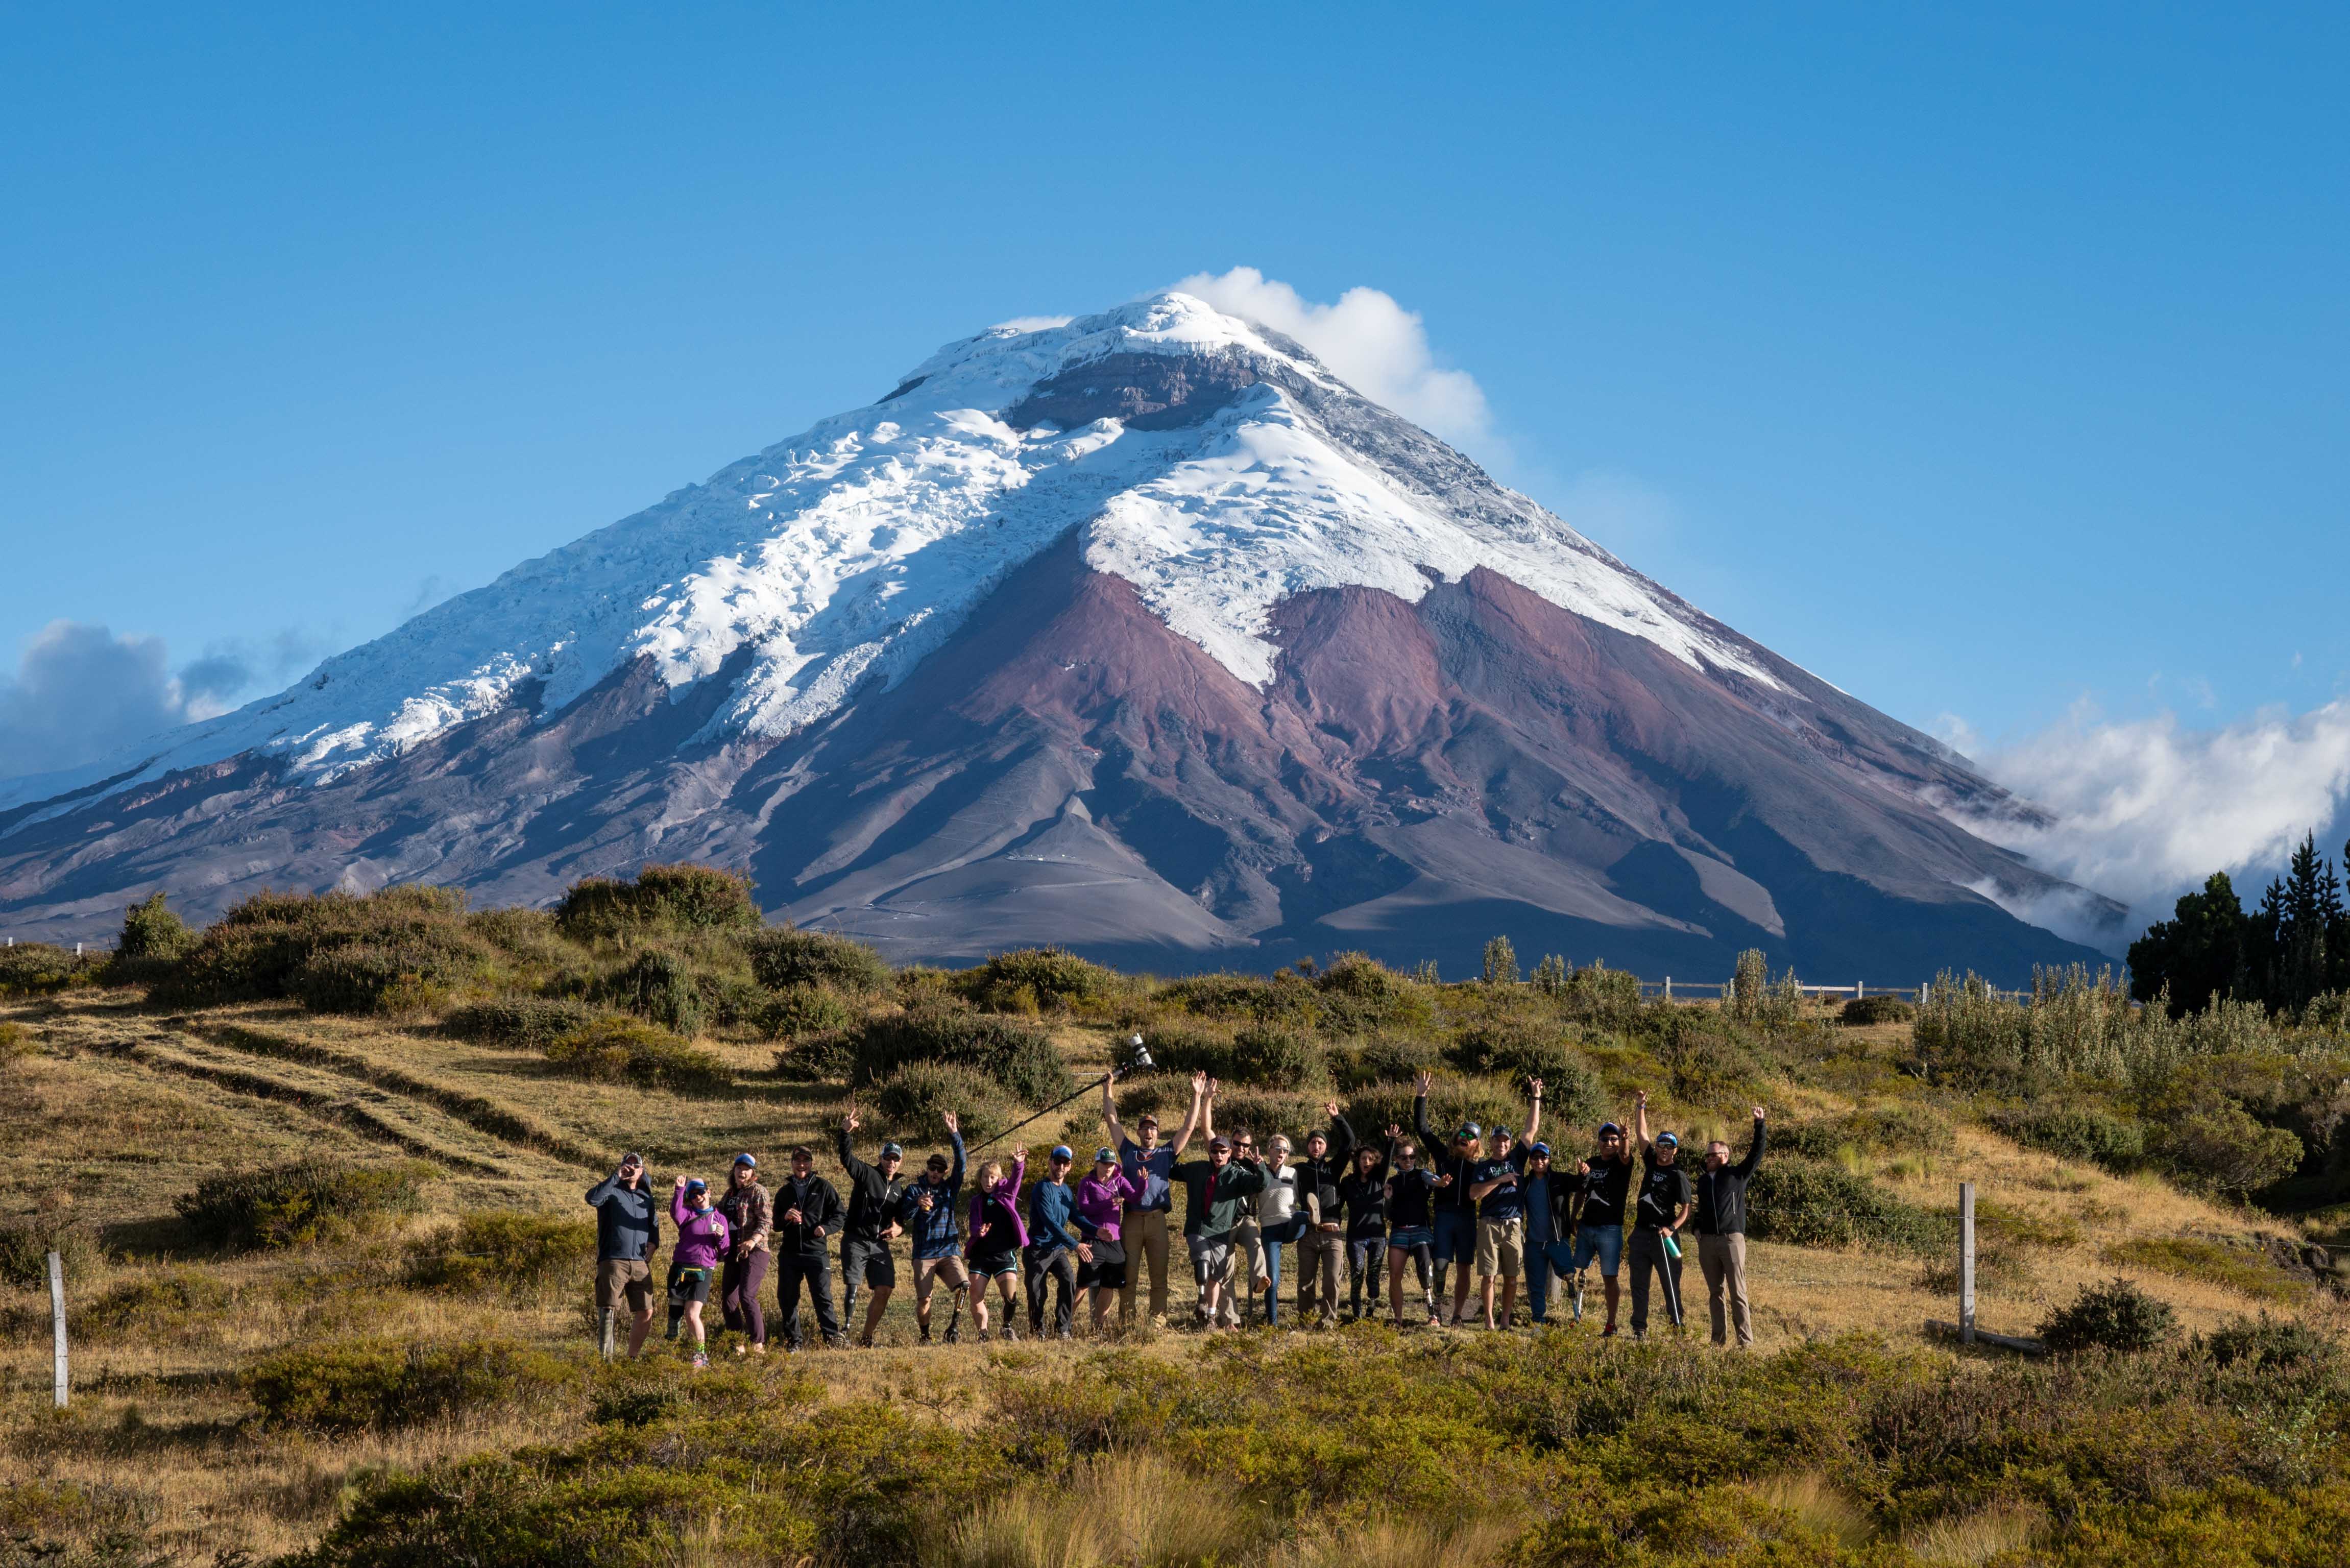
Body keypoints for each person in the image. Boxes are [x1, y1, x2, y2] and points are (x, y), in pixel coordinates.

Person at [1103, 1068, 1203, 1329]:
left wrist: (1197, 1096)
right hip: (1132, 1220)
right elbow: (1112, 1120)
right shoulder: (1127, 1151)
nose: (1148, 1133)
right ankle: (1127, 1323)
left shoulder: (1167, 1153)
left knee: (1160, 1277)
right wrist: (1108, 1089)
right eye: (1144, 1129)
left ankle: (1157, 1324)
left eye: (1153, 1129)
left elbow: (1189, 1127)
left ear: (1158, 1134)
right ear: (1138, 1132)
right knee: (1129, 1276)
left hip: (1158, 1220)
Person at [1172, 1081, 1269, 1328]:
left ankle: (1258, 1280)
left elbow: (1261, 1183)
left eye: (1245, 1146)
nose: (1240, 1149)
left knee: (1253, 1243)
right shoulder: (1208, 1163)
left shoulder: (1247, 1166)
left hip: (1239, 1220)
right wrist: (1207, 1098)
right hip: (1213, 1225)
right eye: (1236, 1144)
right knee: (1222, 1275)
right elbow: (1206, 1129)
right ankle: (1226, 1319)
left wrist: (1260, 1165)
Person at [1469, 1079, 1544, 1331]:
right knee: (1489, 1276)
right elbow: (1474, 1194)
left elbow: (1531, 1130)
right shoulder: (1482, 1167)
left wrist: (1536, 1097)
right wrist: (1501, 1179)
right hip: (1489, 1224)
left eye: (1505, 1141)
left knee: (1512, 1278)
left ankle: (1505, 1320)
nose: (1501, 1144)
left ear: (1510, 1144)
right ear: (1490, 1143)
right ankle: (1489, 1321)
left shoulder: (1517, 1158)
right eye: (1497, 1141)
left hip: (1513, 1225)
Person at [1691, 1107, 1767, 1348]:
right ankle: (1718, 1342)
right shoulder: (1703, 1181)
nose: (1709, 1159)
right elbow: (1700, 1208)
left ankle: (1745, 1343)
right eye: (1707, 1156)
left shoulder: (1737, 1175)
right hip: (1708, 1243)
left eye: (1713, 1155)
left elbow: (1757, 1153)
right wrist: (1696, 1228)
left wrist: (1760, 1124)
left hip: (1732, 1239)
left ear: (1725, 1155)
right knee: (1715, 1293)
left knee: (1738, 1293)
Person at [1412, 1071, 1481, 1326]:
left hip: (1466, 1218)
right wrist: (1421, 1096)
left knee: (1464, 1267)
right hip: (1444, 1216)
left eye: (1471, 1136)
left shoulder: (1479, 1167)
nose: (1465, 1138)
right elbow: (1423, 1129)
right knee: (1440, 1265)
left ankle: (1458, 1315)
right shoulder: (1443, 1156)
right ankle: (1436, 1309)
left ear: (1477, 1144)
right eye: (1462, 1134)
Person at [836, 1109, 909, 1347]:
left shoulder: (900, 1189)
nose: (891, 1163)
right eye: (888, 1158)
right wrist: (845, 1133)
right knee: (853, 1286)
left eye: (896, 1159)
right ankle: (843, 1333)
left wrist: (899, 1229)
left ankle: (866, 1338)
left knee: (885, 1289)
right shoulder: (867, 1173)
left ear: (901, 1162)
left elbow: (902, 1219)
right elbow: (847, 1159)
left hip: (880, 1244)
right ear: (881, 1159)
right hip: (856, 1238)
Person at [1628, 1092, 1693, 1342]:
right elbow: (1641, 1134)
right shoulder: (1651, 1161)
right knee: (1639, 1285)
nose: (1664, 1150)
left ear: (1675, 1151)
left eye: (1669, 1147)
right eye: (1661, 1146)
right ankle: (1639, 1329)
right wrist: (1640, 1106)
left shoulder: (1678, 1175)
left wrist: (1671, 1228)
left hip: (1664, 1238)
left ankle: (1677, 1328)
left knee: (1670, 1285)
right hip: (1641, 1234)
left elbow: (1686, 1209)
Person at [1568, 1109, 1637, 1337]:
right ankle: (1576, 1316)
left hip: (1610, 1228)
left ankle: (1611, 1324)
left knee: (1610, 1277)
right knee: (1576, 1268)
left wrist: (1626, 1139)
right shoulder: (1591, 1162)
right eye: (1605, 1139)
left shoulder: (1622, 1162)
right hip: (1587, 1227)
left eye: (1614, 1139)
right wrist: (1573, 1217)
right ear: (1598, 1142)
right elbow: (1581, 1191)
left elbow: (1626, 1155)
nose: (1609, 1142)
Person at [587, 1151, 661, 1359]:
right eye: (626, 1165)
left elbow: (653, 1223)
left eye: (635, 1166)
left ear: (642, 1171)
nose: (630, 1168)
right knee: (608, 1309)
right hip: (613, 1259)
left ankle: (632, 1358)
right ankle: (606, 1359)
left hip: (640, 1262)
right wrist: (616, 1177)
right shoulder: (611, 1191)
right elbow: (592, 1199)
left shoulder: (646, 1197)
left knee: (646, 1311)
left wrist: (654, 1244)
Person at [772, 1146, 846, 1350]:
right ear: (792, 1163)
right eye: (798, 1161)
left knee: (822, 1297)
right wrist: (786, 1218)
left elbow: (840, 1215)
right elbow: (775, 1224)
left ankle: (832, 1340)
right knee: (787, 1298)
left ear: (812, 1163)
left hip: (816, 1252)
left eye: (806, 1161)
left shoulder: (823, 1187)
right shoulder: (784, 1192)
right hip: (790, 1253)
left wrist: (826, 1228)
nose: (801, 1165)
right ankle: (794, 1342)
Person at [906, 1112, 971, 1343]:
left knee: (964, 1286)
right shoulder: (914, 1190)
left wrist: (955, 1134)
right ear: (927, 1169)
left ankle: (953, 1328)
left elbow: (962, 1164)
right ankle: (925, 1336)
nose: (935, 1172)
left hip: (948, 1250)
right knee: (925, 1299)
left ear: (944, 1173)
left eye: (940, 1169)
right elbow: (904, 1215)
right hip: (923, 1252)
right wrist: (917, 1203)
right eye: (932, 1168)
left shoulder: (950, 1189)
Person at [1291, 1105, 1355, 1326]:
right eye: (1312, 1142)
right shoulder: (1298, 1169)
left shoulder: (1334, 1168)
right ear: (1307, 1147)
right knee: (1306, 1283)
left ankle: (1327, 1322)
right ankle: (1306, 1322)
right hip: (1308, 1233)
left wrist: (1337, 1117)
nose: (1316, 1145)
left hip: (1332, 1233)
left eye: (1320, 1142)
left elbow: (1349, 1142)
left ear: (1326, 1148)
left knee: (1331, 1282)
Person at [1072, 1147, 1142, 1334]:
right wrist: (1110, 1203)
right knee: (1085, 1283)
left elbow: (1134, 1197)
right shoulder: (1087, 1183)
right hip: (1092, 1239)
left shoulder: (1120, 1181)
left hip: (1114, 1240)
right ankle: (1065, 1322)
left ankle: (1099, 1326)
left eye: (1111, 1164)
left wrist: (1143, 1183)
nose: (1108, 1168)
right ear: (1096, 1164)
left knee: (1109, 1285)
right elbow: (1084, 1209)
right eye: (1104, 1164)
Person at [666, 1175, 732, 1368]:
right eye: (693, 1194)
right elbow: (675, 1212)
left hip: (703, 1270)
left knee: (693, 1314)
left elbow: (726, 1250)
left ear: (709, 1193)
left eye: (701, 1192)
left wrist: (720, 1237)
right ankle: (673, 1350)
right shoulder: (687, 1214)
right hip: (680, 1268)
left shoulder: (720, 1219)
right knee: (675, 1313)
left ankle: (700, 1355)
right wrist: (679, 1190)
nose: (698, 1197)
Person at [966, 1150, 1029, 1341]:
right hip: (981, 1256)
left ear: (998, 1178)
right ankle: (983, 1334)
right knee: (976, 1296)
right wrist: (979, 1232)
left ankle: (1007, 1327)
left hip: (1004, 1254)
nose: (988, 1181)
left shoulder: (1007, 1195)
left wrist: (1019, 1164)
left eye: (992, 1177)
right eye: (985, 1177)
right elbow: (973, 1225)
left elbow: (1016, 1181)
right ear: (980, 1179)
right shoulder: (976, 1201)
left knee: (1010, 1295)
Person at [715, 1153, 772, 1356]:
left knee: (747, 1296)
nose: (742, 1172)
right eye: (739, 1168)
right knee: (729, 1300)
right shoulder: (730, 1194)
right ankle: (737, 1344)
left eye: (746, 1169)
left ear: (752, 1172)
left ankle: (758, 1344)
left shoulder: (758, 1191)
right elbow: (716, 1215)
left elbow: (766, 1222)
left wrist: (752, 1240)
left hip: (756, 1250)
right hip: (733, 1252)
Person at [1383, 1135, 1443, 1325]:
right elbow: (1387, 1214)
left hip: (1421, 1230)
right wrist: (1388, 1199)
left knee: (1425, 1271)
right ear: (1396, 1160)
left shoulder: (1422, 1175)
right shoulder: (1392, 1181)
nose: (1408, 1161)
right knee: (1395, 1276)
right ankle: (1398, 1319)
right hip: (1399, 1231)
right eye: (1403, 1157)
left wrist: (1441, 1183)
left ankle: (1432, 1313)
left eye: (1412, 1157)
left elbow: (1433, 1180)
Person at [1024, 1146, 1082, 1339]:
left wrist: (1096, 1230)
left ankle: (1063, 1329)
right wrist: (1074, 1244)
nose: (1061, 1166)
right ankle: (1038, 1330)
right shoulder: (1042, 1188)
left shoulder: (1066, 1191)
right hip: (1038, 1249)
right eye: (1057, 1162)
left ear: (1070, 1167)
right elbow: (1051, 1222)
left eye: (1065, 1163)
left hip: (1057, 1250)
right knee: (1037, 1292)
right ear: (1050, 1163)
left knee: (1069, 1283)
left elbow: (1076, 1216)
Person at [1337, 1134, 1391, 1320]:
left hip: (1378, 1236)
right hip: (1356, 1237)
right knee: (1357, 1274)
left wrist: (1390, 1141)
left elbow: (1388, 1162)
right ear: (1357, 1161)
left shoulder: (1379, 1180)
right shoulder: (1347, 1183)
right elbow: (1337, 1204)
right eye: (1363, 1158)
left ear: (1375, 1162)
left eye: (1370, 1159)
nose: (1366, 1162)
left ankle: (1372, 1308)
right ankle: (1357, 1316)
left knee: (1373, 1276)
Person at [1523, 1142, 1574, 1324]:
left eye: (1543, 1157)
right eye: (1535, 1157)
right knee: (1536, 1285)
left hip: (1558, 1240)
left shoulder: (1560, 1179)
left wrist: (1585, 1173)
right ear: (1530, 1161)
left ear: (1549, 1160)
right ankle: (1538, 1321)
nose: (1539, 1161)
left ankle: (1576, 1315)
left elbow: (1581, 1184)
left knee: (1568, 1275)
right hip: (1534, 1243)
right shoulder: (1526, 1183)